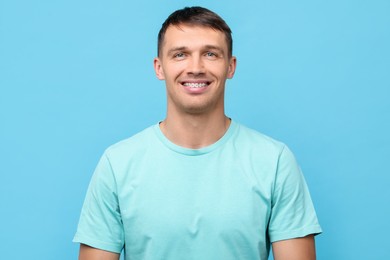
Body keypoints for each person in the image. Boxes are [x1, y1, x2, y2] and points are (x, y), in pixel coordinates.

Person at [73, 6, 322, 260]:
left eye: (211, 54)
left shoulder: (275, 161)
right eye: (180, 54)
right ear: (159, 68)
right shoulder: (117, 164)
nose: (195, 67)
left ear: (230, 67)